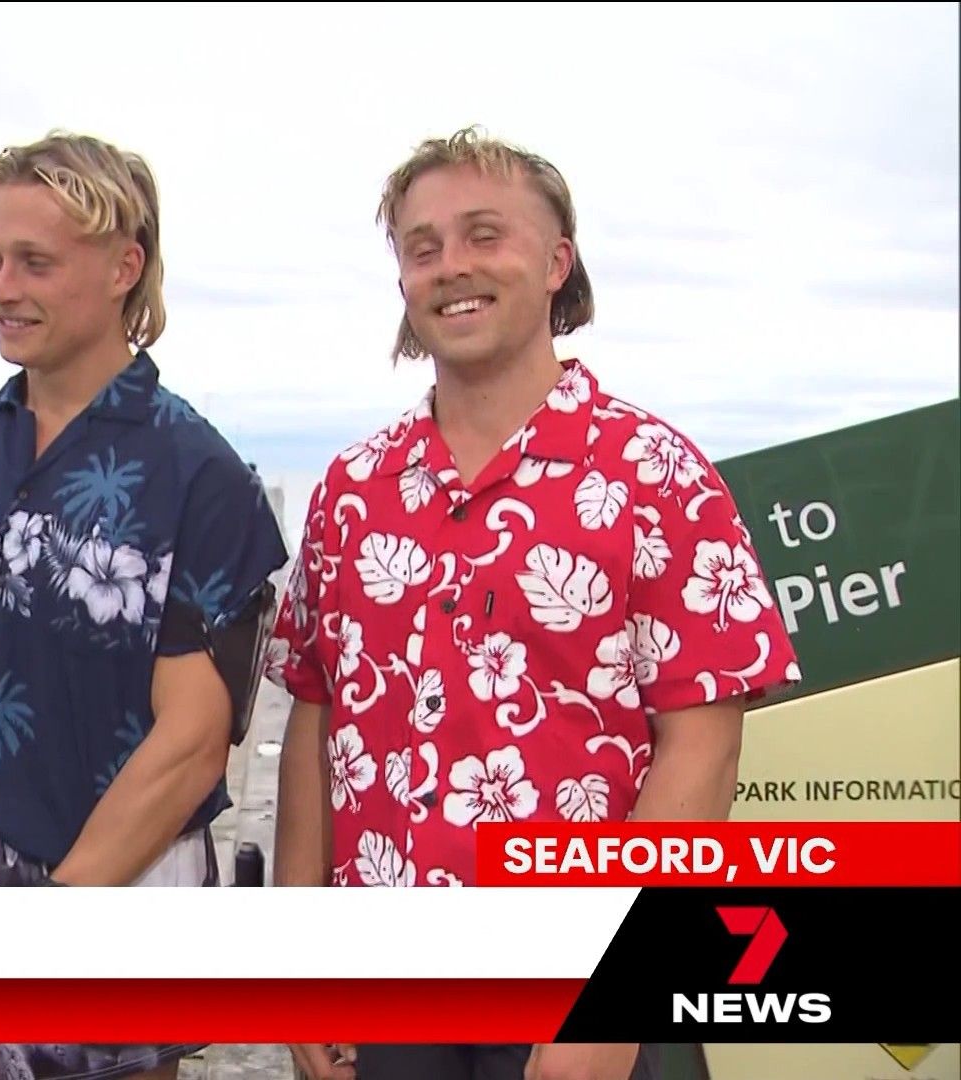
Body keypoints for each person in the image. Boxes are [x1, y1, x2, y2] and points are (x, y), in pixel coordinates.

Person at [267, 127, 802, 1080]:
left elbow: (704, 745)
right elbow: (318, 714)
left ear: (557, 263)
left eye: (484, 235)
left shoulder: (655, 475)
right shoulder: (352, 491)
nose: (451, 266)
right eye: (423, 247)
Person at [0, 131, 290, 1080]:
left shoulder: (200, 475)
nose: (1, 286)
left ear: (123, 268)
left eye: (36, 262)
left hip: (127, 897)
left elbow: (194, 738)